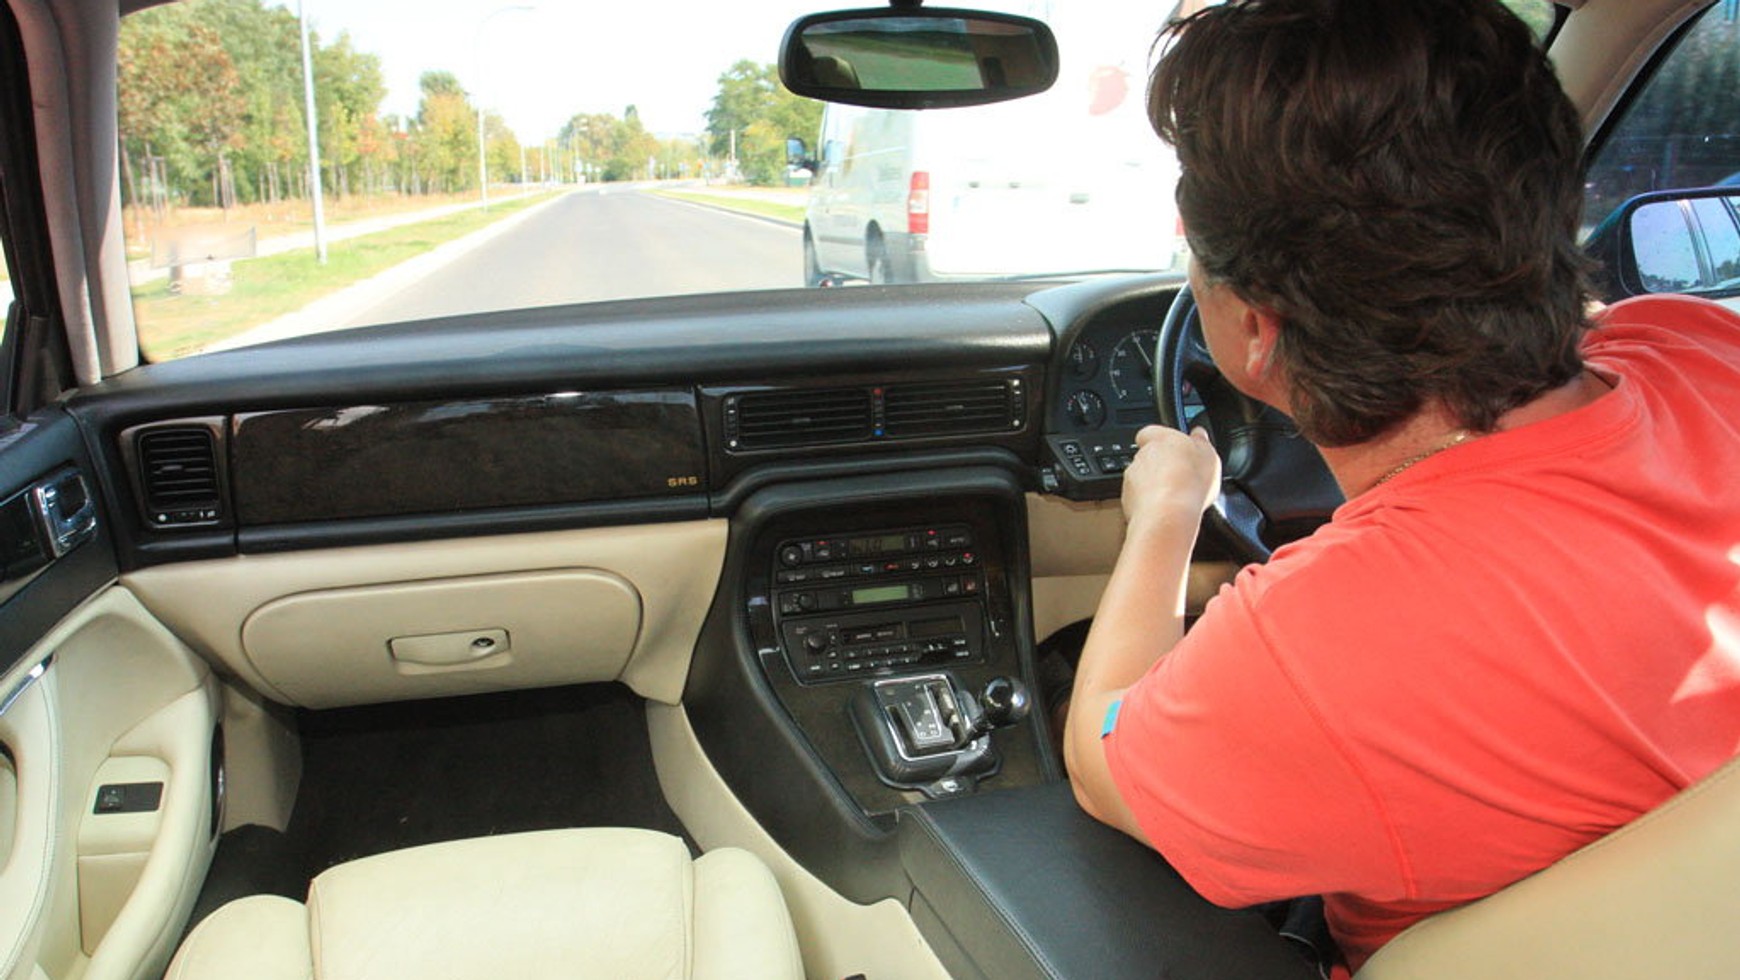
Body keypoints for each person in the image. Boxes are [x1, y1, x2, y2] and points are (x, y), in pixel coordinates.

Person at [1062, 0, 1740, 975]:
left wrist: (1168, 506)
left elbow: (1099, 757)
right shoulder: (1703, 350)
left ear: (1255, 329)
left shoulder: (1318, 640)